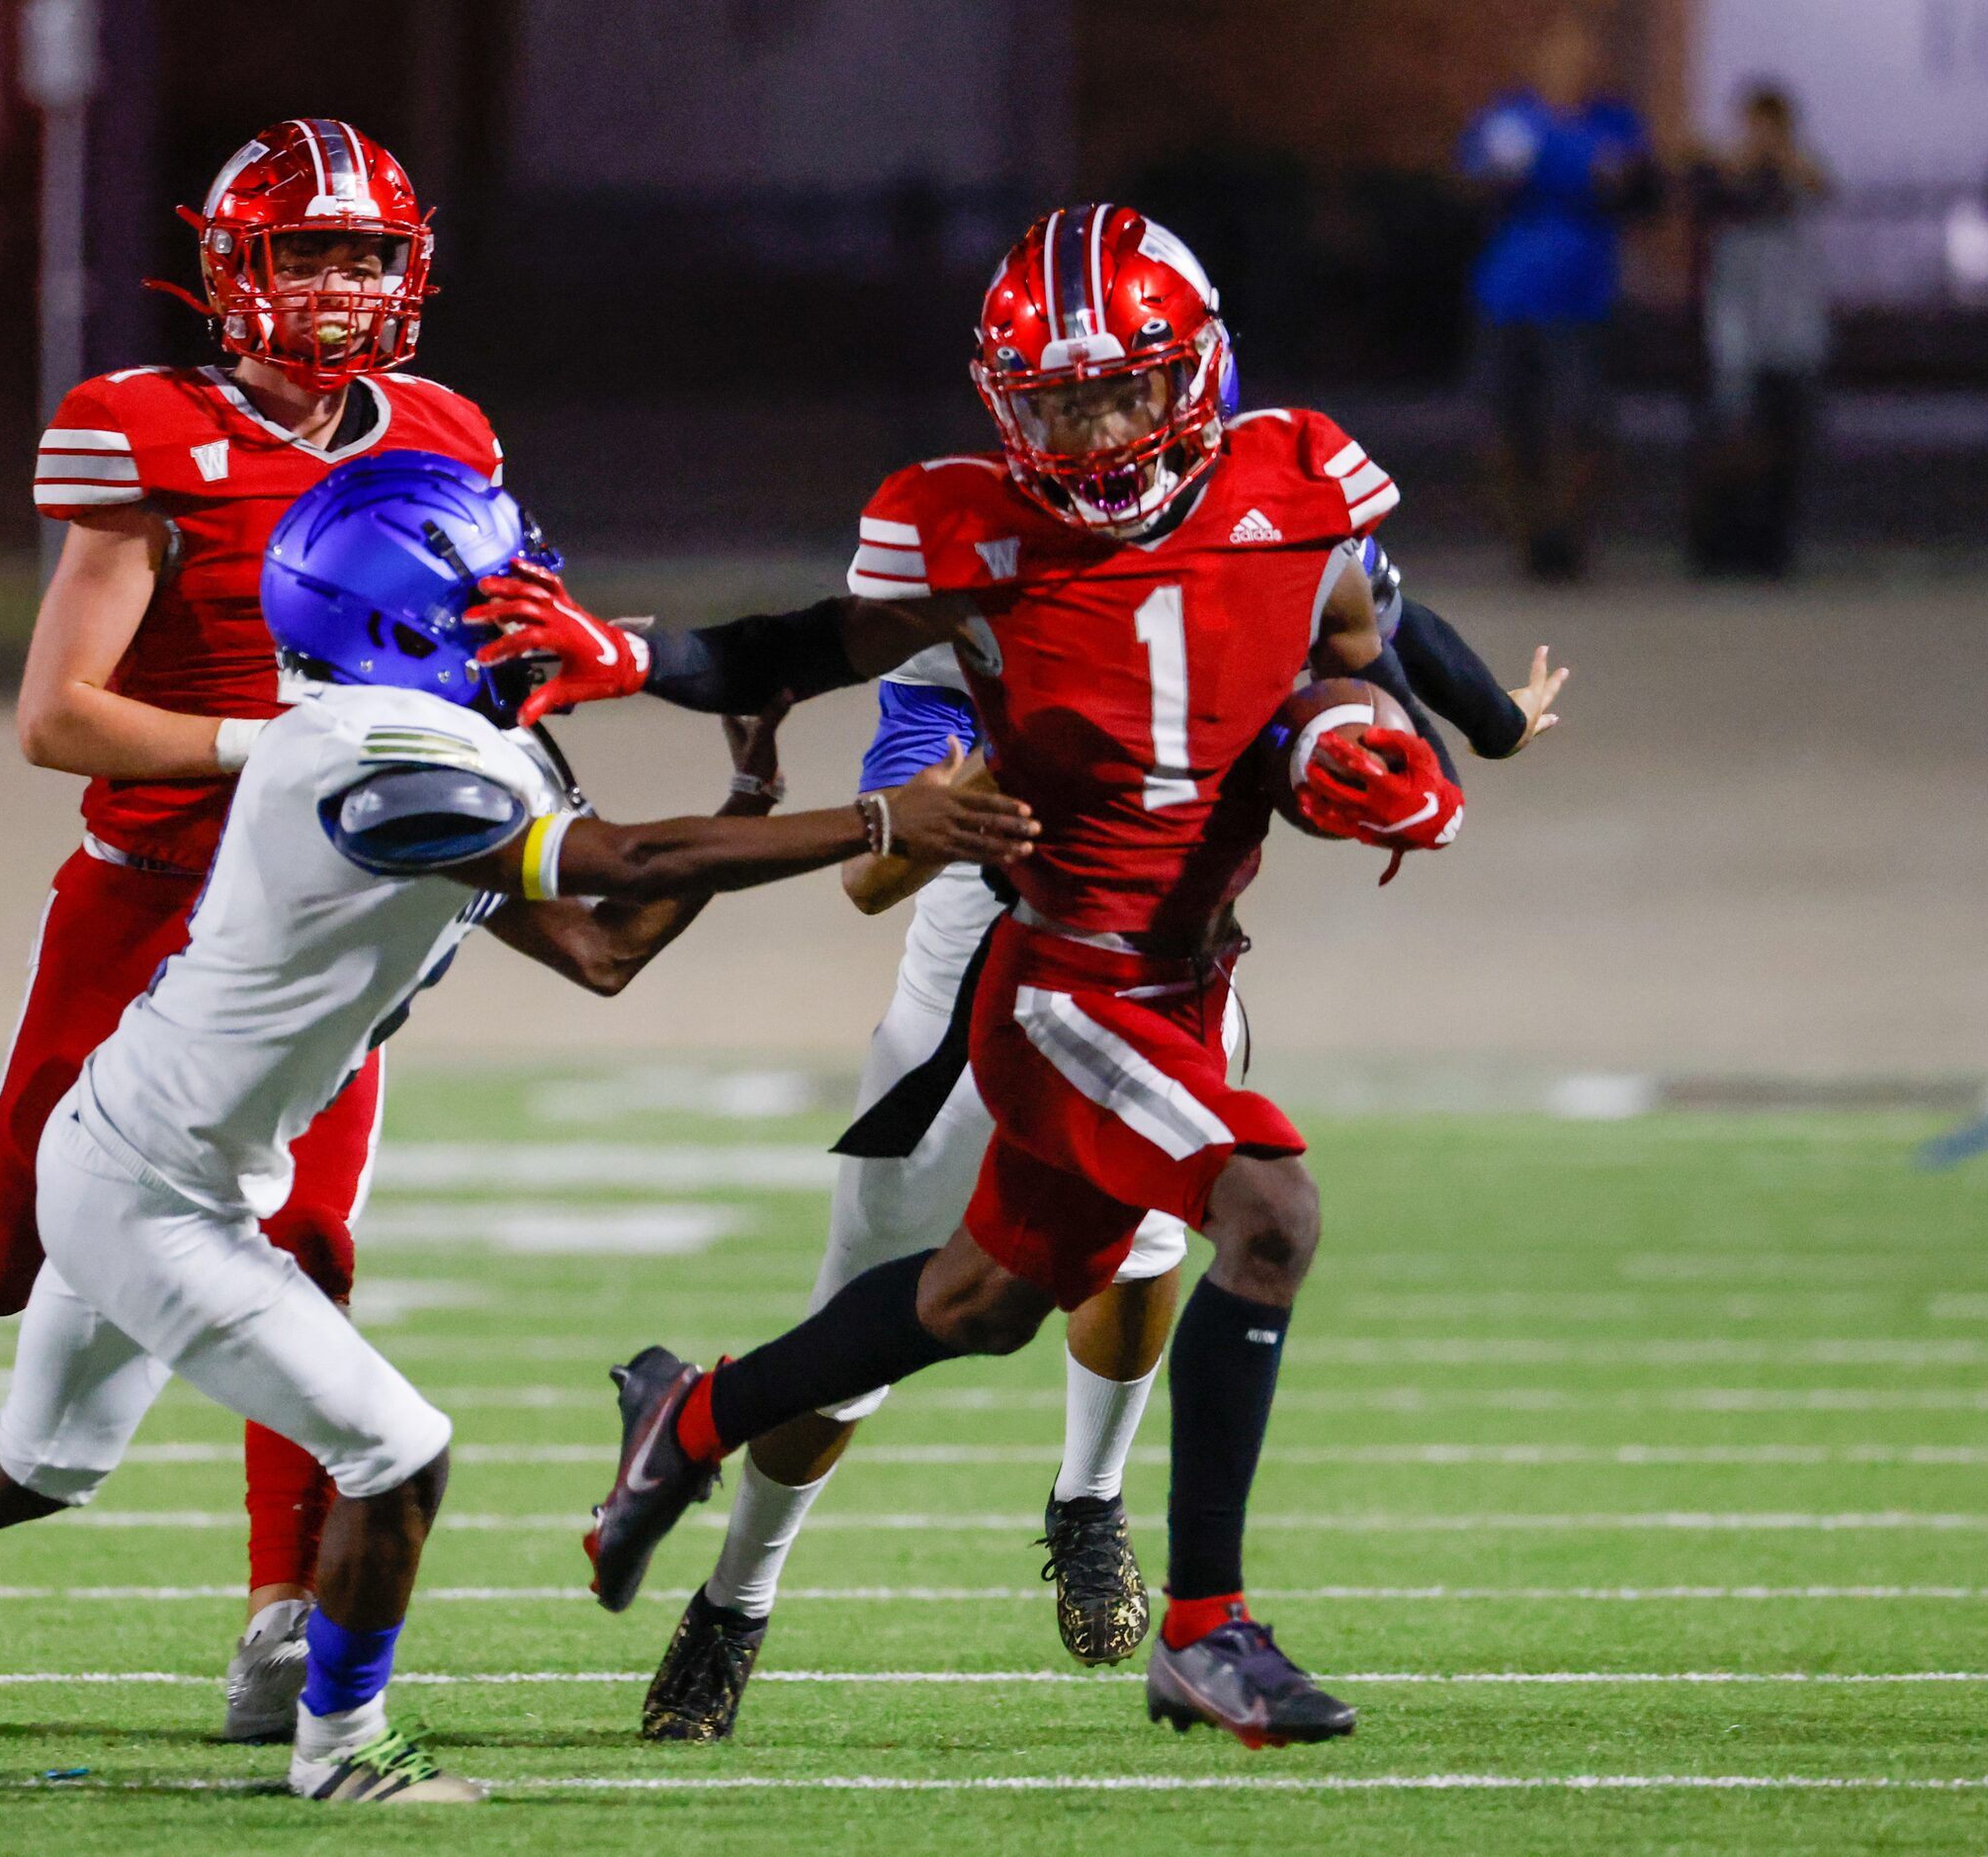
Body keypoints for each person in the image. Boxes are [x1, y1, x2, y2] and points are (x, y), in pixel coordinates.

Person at [0, 451, 1040, 1805]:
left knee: (36, 1462)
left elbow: (605, 947)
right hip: (157, 1184)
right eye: (495, 584)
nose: (529, 601)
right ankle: (343, 1743)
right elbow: (625, 860)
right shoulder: (380, 760)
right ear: (403, 618)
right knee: (397, 1448)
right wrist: (871, 817)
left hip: (152, 1147)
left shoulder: (416, 742)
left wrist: (747, 796)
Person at [468, 205, 1513, 1748]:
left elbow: (1343, 644)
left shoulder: (1294, 483)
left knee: (978, 1300)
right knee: (1268, 1210)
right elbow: (796, 646)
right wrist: (630, 654)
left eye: (1121, 391)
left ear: (1198, 372)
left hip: (1186, 970)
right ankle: (1207, 1633)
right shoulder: (971, 535)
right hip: (1058, 985)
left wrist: (1354, 740)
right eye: (1057, 403)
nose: (1091, 432)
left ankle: (685, 1415)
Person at [637, 518, 1562, 1741]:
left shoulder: (1246, 551)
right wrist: (990, 785)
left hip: (1164, 988)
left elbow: (1384, 631)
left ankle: (1092, 1499)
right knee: (860, 1335)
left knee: (1146, 1256)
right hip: (978, 1003)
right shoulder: (981, 580)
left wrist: (1440, 733)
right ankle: (731, 1605)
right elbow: (870, 872)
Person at [0, 120, 502, 1740]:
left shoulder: (440, 436)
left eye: (363, 253)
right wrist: (256, 746)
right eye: (303, 252)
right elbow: (54, 715)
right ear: (229, 268)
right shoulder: (146, 431)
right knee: (14, 1258)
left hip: (316, 924)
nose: (337, 285)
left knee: (305, 1249)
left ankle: (280, 1611)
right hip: (143, 899)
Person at [1459, 12, 1658, 581]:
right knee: (1503, 426)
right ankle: (1528, 542)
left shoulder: (1616, 123)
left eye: (1585, 57)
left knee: (1583, 426)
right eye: (1563, 55)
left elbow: (1641, 191)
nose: (1576, 66)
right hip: (1507, 297)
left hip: (1584, 301)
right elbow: (1476, 178)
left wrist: (1574, 173)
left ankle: (1568, 542)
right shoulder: (1509, 118)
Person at [1687, 83, 1830, 577]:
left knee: (1789, 440)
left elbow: (1819, 187)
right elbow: (1708, 187)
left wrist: (1780, 154)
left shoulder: (1798, 167)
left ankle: (1775, 547)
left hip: (1792, 326)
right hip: (1738, 327)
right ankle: (1721, 544)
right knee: (1733, 434)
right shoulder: (1729, 167)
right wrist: (1746, 157)